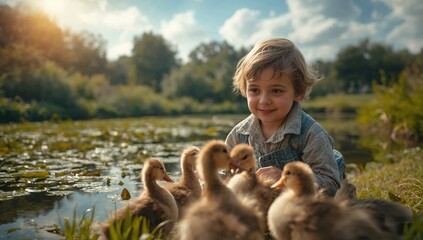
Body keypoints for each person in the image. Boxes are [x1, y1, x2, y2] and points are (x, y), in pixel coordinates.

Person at [225, 38, 345, 197]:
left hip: (305, 196)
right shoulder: (239, 135)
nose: (264, 100)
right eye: (254, 90)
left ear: (298, 92)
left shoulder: (311, 134)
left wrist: (287, 180)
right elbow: (223, 172)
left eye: (276, 91)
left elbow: (330, 183)